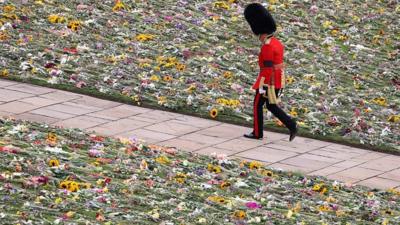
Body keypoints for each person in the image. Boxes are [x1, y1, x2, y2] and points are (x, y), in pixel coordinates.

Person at [243, 3, 297, 141]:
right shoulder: (277, 42)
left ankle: (257, 133)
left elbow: (267, 68)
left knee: (257, 105)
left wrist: (262, 86)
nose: (259, 37)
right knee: (271, 106)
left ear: (263, 32)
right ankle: (291, 125)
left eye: (259, 35)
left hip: (269, 81)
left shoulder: (267, 46)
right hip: (278, 79)